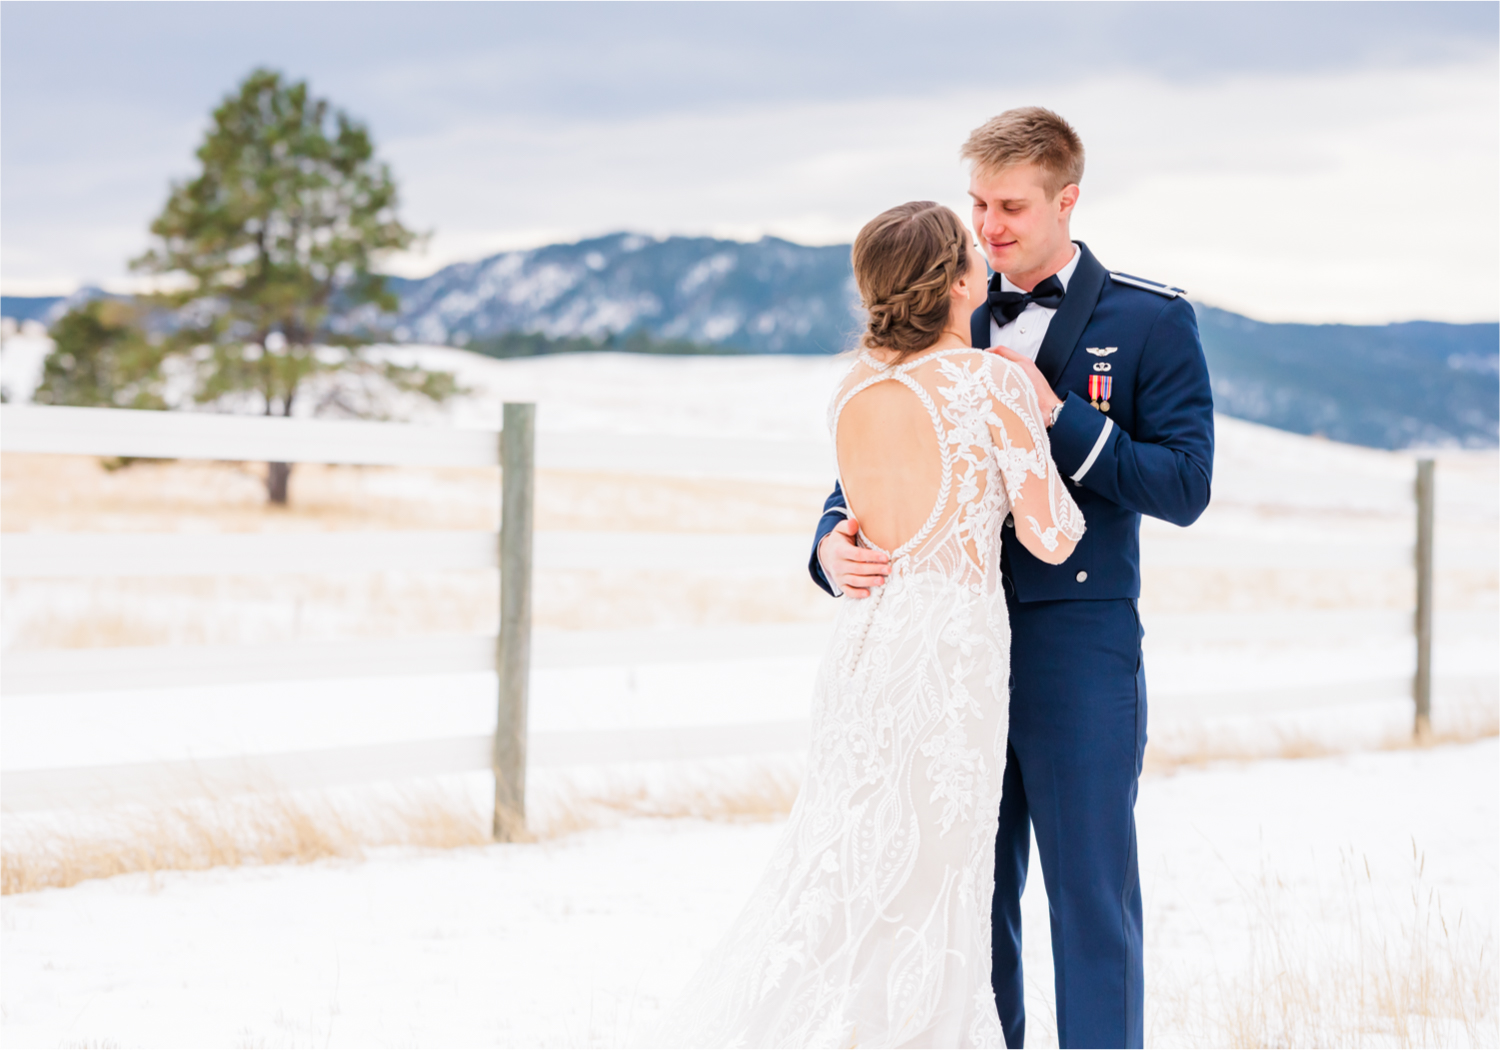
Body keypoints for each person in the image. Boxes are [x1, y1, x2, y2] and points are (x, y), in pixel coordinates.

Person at [812, 108, 1215, 1049]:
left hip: (1079, 644)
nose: (988, 227)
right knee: (965, 892)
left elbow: (1186, 487)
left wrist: (1062, 417)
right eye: (978, 205)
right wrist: (830, 542)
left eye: (1011, 206)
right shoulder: (943, 305)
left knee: (1089, 894)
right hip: (949, 657)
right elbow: (871, 463)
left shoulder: (1151, 320)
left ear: (1067, 199)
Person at [654, 201, 1084, 1048]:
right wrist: (1053, 426)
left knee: (851, 863)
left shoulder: (851, 388)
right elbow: (1051, 533)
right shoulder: (992, 382)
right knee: (939, 876)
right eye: (971, 249)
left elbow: (859, 516)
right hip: (950, 653)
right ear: (958, 279)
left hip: (864, 643)